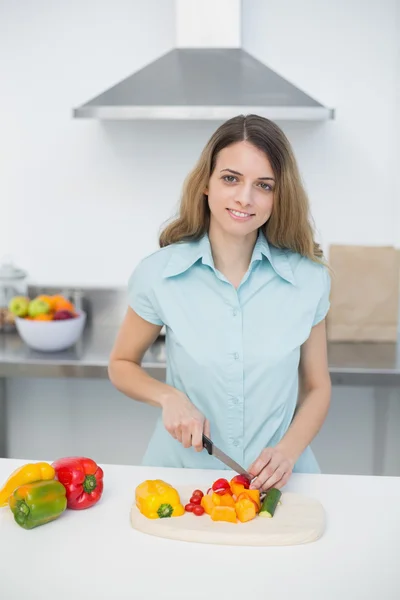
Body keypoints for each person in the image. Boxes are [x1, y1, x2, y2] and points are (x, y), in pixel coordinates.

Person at [108, 114, 332, 493]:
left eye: (263, 185)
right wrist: (169, 397)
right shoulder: (159, 274)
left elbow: (317, 387)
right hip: (180, 483)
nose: (245, 198)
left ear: (279, 197)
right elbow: (121, 364)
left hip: (281, 485)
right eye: (231, 178)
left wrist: (287, 452)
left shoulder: (310, 279)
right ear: (207, 185)